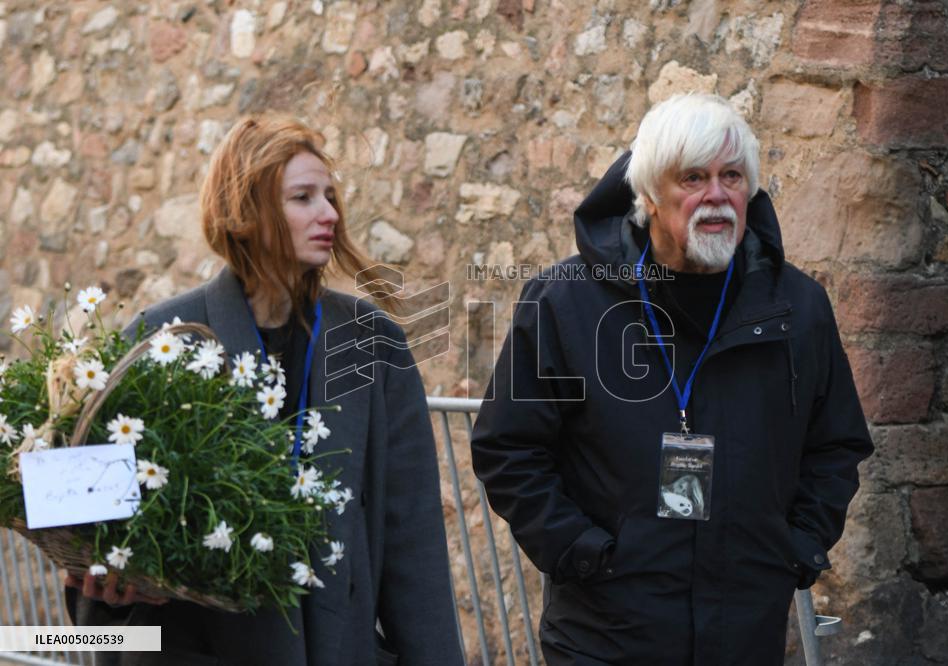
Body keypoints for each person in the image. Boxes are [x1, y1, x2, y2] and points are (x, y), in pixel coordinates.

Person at [470, 93, 874, 665]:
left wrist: (796, 546)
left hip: (745, 629)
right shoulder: (565, 302)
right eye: (693, 177)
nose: (716, 196)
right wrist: (582, 552)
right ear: (651, 197)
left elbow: (837, 443)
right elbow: (508, 447)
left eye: (732, 176)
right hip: (607, 633)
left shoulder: (797, 305)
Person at [65, 116, 465, 666]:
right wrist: (104, 601)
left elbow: (413, 540)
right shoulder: (161, 338)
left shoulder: (373, 343)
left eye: (329, 196)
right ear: (246, 212)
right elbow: (101, 538)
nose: (329, 213)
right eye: (302, 197)